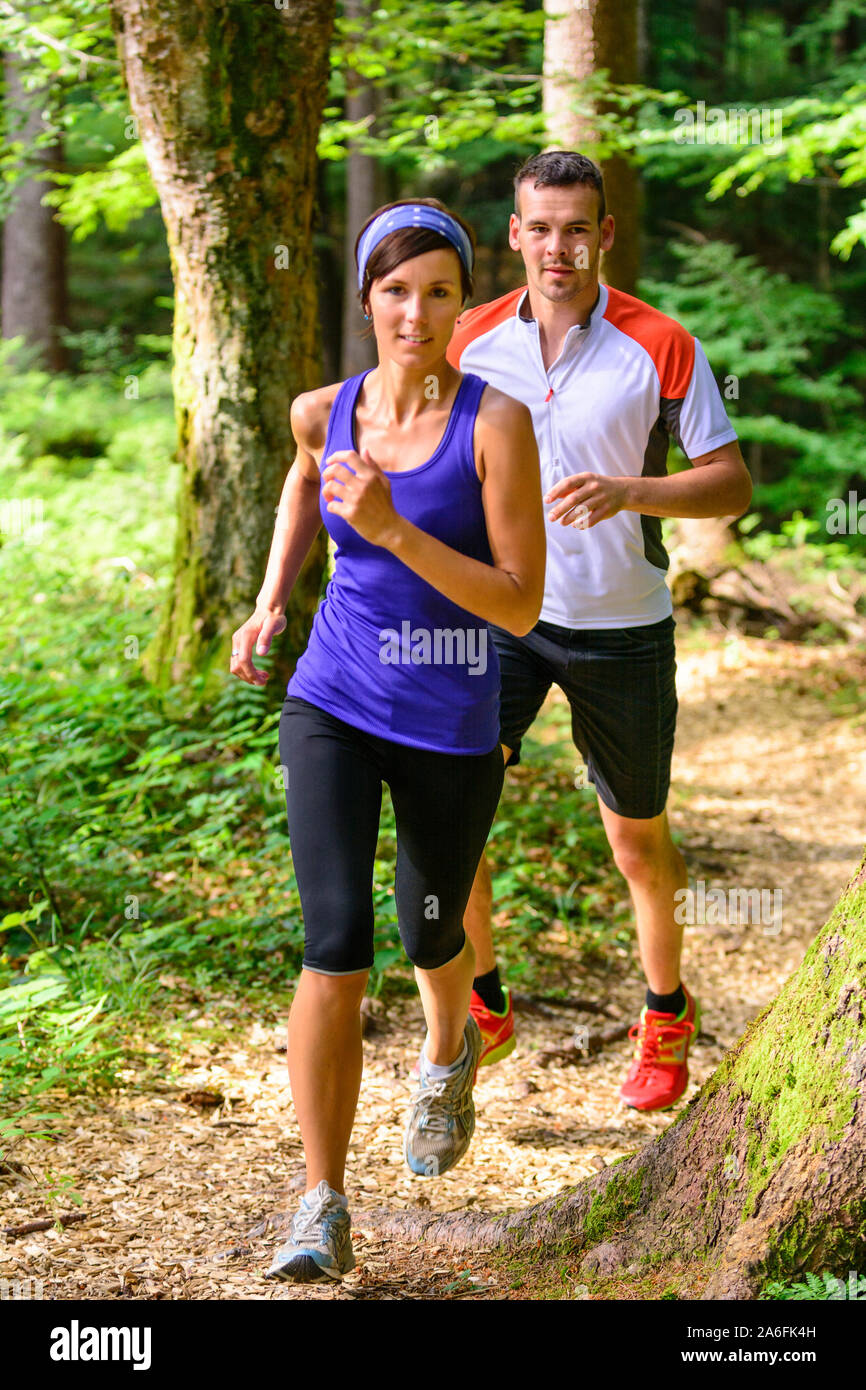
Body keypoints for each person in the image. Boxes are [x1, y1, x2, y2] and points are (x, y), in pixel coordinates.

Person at [229, 197, 545, 1282]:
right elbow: (299, 486)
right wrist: (271, 597)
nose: (415, 311)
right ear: (365, 297)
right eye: (394, 290)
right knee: (335, 941)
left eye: (439, 290)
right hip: (332, 699)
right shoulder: (322, 409)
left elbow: (515, 605)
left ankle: (449, 1047)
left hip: (450, 719)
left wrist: (393, 529)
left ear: (465, 301)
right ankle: (320, 1200)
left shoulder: (494, 424)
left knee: (426, 933)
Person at [446, 151, 753, 1110]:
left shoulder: (661, 343)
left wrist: (632, 490)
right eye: (540, 228)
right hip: (498, 614)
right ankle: (484, 1004)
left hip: (619, 623)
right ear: (514, 236)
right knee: (448, 806)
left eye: (577, 227)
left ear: (605, 236)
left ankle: (665, 1012)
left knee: (634, 836)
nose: (558, 247)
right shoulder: (471, 339)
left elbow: (733, 482)